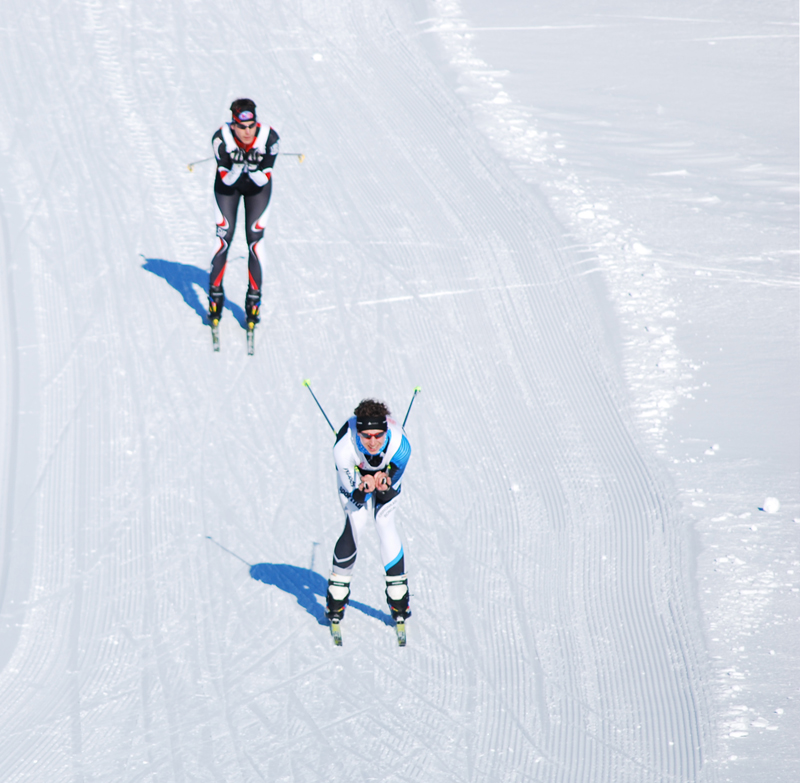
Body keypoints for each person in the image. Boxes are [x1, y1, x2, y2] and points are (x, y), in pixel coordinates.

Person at [326, 399, 412, 624]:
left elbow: (390, 485)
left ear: (386, 431)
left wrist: (386, 481)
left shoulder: (401, 447)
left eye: (378, 435)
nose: (373, 442)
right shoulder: (343, 449)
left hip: (385, 471)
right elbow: (354, 494)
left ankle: (398, 598)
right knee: (356, 520)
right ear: (357, 434)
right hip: (355, 475)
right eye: (366, 436)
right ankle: (336, 597)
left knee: (384, 522)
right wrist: (363, 487)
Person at [208, 98, 280, 328]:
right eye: (241, 127)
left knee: (255, 241)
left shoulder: (269, 138)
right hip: (228, 187)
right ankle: (215, 296)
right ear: (233, 124)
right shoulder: (221, 138)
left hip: (256, 189)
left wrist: (251, 166)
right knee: (223, 239)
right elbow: (226, 180)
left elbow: (263, 178)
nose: (247, 132)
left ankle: (253, 300)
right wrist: (238, 166)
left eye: (251, 126)